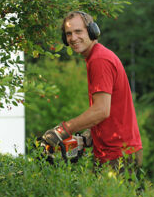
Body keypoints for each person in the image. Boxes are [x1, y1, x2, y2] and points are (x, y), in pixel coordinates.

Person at [42, 11, 143, 172]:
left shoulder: (99, 60)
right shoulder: (97, 57)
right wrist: (90, 136)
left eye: (78, 31)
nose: (73, 38)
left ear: (92, 31)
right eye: (68, 34)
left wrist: (62, 130)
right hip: (116, 152)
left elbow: (101, 110)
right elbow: (110, 109)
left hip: (117, 156)